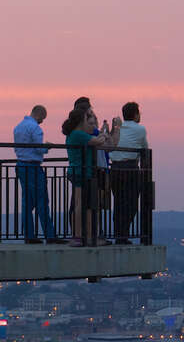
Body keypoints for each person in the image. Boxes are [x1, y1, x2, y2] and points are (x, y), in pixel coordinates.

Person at [63, 108, 119, 247]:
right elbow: (98, 141)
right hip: (81, 173)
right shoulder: (78, 134)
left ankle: (86, 236)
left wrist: (101, 133)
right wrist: (104, 133)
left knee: (85, 206)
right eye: (89, 121)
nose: (92, 125)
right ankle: (79, 236)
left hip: (83, 173)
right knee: (80, 205)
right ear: (81, 121)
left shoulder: (76, 134)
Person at [13, 105, 62, 244]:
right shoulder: (35, 128)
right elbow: (38, 148)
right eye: (43, 119)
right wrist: (47, 147)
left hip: (21, 165)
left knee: (27, 202)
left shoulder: (18, 126)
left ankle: (29, 235)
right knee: (42, 200)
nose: (42, 121)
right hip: (33, 166)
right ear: (39, 115)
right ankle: (50, 234)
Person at [109, 102, 149, 244]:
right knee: (131, 204)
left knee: (119, 203)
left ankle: (119, 235)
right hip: (130, 168)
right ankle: (123, 235)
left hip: (115, 169)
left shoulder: (116, 128)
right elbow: (145, 148)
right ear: (136, 114)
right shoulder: (140, 129)